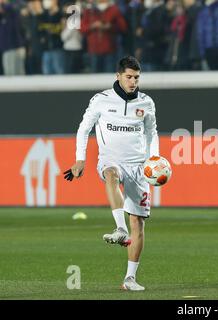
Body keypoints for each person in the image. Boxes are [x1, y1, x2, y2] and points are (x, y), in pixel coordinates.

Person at [64, 56, 159, 291]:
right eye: (128, 77)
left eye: (136, 77)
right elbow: (84, 129)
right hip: (111, 160)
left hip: (138, 166)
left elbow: (152, 133)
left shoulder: (146, 103)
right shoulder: (101, 100)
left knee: (138, 221)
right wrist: (80, 159)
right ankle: (119, 227)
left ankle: (130, 279)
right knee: (110, 175)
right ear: (118, 76)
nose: (133, 81)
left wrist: (154, 160)